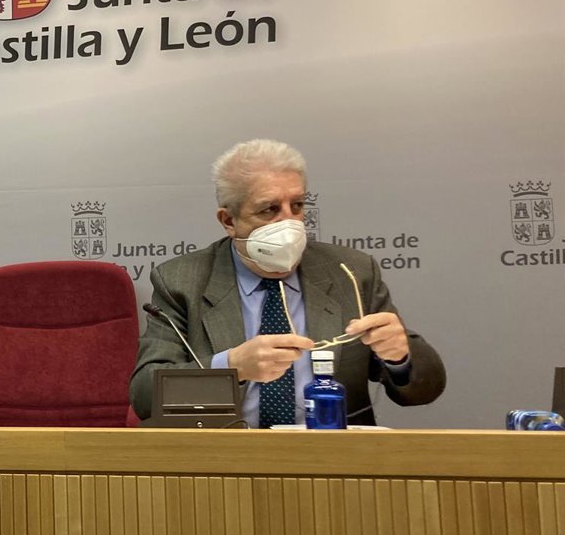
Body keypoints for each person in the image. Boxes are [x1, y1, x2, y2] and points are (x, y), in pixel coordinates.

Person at [129, 140, 445, 426]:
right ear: (229, 221)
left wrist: (399, 358)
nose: (289, 223)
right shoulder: (182, 281)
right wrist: (232, 367)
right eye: (269, 210)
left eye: (297, 206)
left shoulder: (350, 272)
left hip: (332, 458)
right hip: (225, 458)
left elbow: (425, 389)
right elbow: (145, 397)